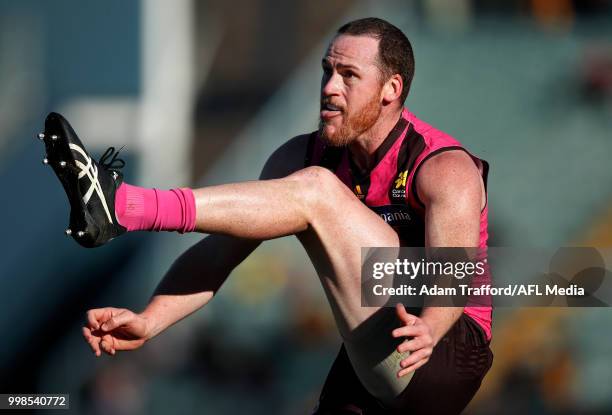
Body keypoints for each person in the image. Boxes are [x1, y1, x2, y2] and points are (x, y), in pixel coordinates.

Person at [39, 17, 493, 414]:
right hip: (372, 355)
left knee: (317, 190)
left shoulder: (443, 166)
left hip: (443, 349)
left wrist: (430, 327)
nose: (330, 87)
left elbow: (452, 275)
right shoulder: (300, 157)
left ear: (391, 89)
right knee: (314, 186)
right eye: (327, 71)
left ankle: (123, 206)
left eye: (349, 75)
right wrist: (151, 319)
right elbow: (220, 254)